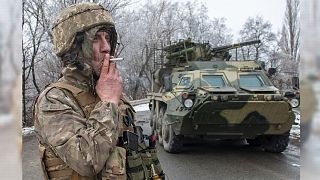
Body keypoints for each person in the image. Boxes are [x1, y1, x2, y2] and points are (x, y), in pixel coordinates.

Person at [33, 3, 164, 180]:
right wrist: (108, 103)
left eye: (107, 38)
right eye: (96, 39)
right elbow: (86, 161)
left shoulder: (110, 91)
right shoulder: (54, 100)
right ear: (74, 47)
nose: (106, 47)